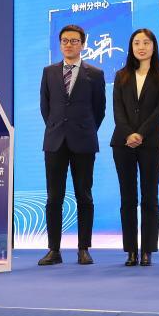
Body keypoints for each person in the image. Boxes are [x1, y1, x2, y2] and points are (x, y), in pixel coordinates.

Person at [38, 25, 106, 266]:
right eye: (65, 41)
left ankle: (83, 249)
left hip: (84, 141)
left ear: (83, 44)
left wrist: (84, 129)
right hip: (55, 141)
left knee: (84, 196)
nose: (69, 44)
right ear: (60, 44)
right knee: (53, 197)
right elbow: (45, 107)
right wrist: (58, 127)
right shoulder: (49, 72)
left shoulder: (95, 74)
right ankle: (53, 250)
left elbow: (99, 109)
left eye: (74, 41)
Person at [111, 28, 159, 267]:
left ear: (154, 46)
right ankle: (130, 251)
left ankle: (147, 250)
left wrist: (141, 134)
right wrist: (129, 133)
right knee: (127, 198)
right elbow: (117, 110)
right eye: (136, 43)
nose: (141, 47)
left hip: (151, 143)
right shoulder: (121, 75)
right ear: (131, 47)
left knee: (149, 197)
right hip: (122, 143)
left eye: (146, 42)